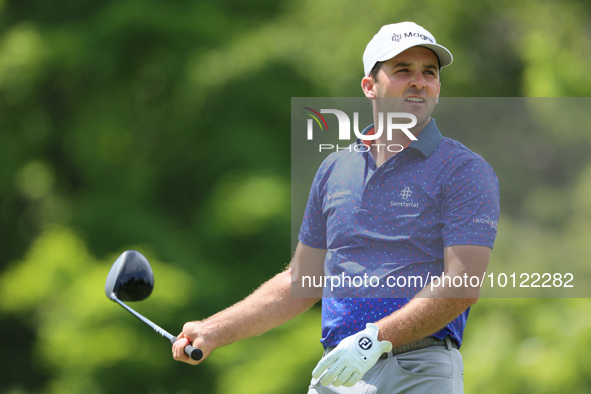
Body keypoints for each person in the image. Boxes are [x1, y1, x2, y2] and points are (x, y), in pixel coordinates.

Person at [173, 21, 500, 394]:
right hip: (337, 373)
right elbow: (301, 281)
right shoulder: (335, 169)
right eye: (402, 70)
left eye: (429, 72)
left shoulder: (464, 169)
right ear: (369, 86)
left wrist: (372, 340)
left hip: (417, 368)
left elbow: (462, 284)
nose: (419, 81)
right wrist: (214, 330)